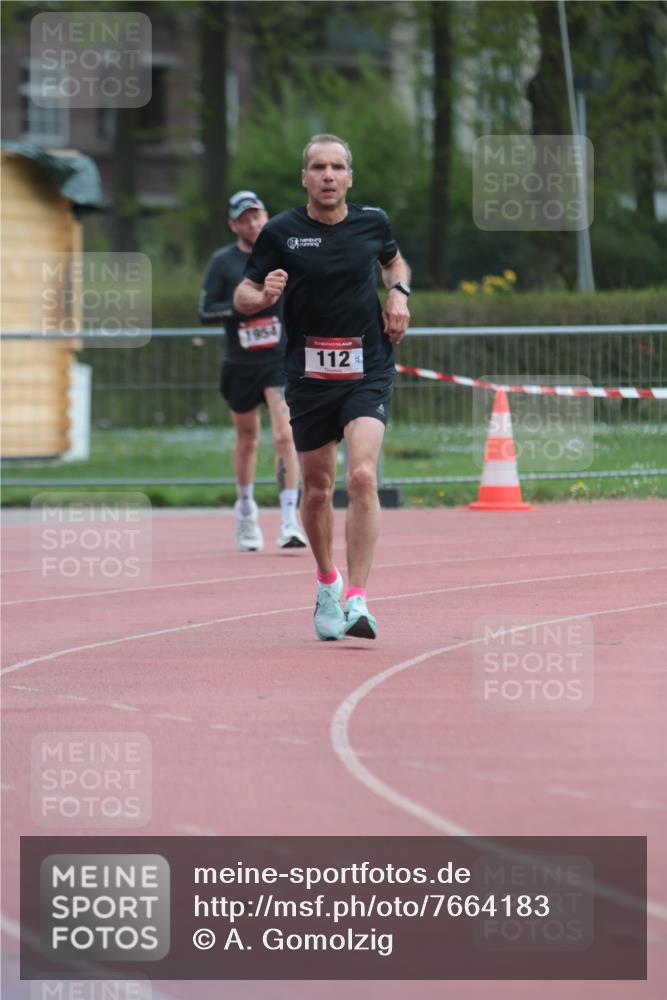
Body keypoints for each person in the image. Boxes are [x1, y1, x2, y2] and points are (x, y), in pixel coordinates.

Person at [234, 135, 411, 639]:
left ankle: (358, 599)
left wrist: (398, 294)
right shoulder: (282, 232)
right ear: (304, 178)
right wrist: (261, 293)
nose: (328, 175)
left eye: (337, 167)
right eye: (318, 167)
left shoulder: (373, 222)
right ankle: (327, 582)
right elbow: (243, 292)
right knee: (316, 490)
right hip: (309, 376)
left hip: (367, 367)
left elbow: (394, 262)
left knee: (360, 476)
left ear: (350, 177)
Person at [199, 190, 306, 552]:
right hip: (241, 362)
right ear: (233, 224)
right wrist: (246, 306)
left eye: (257, 216)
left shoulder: (282, 254)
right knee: (248, 439)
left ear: (266, 216)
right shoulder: (223, 262)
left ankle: (290, 518)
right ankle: (245, 507)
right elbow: (205, 309)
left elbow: (304, 294)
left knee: (285, 434)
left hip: (278, 359)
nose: (253, 223)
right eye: (244, 218)